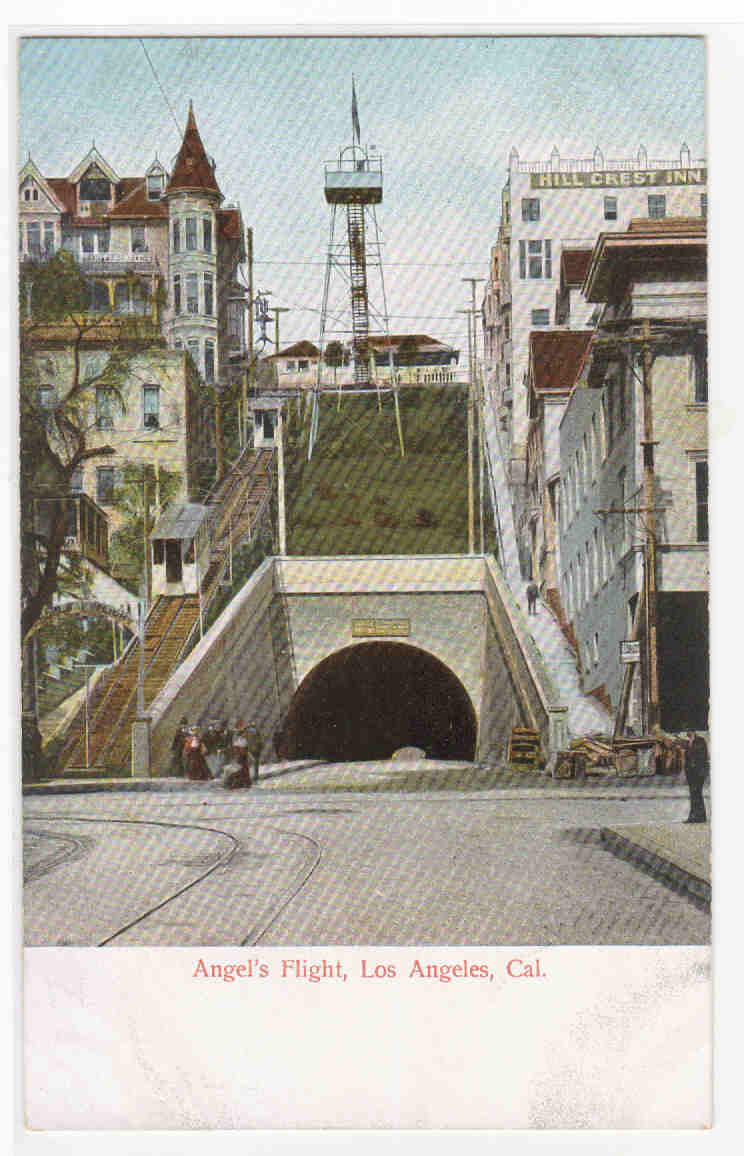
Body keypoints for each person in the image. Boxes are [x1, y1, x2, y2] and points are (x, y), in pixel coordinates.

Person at [685, 731, 709, 823]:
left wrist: (690, 746)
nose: (687, 733)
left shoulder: (700, 741)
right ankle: (695, 816)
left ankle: (698, 816)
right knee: (694, 793)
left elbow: (701, 756)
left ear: (693, 732)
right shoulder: (688, 742)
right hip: (690, 772)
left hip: (699, 772)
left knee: (697, 793)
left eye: (689, 731)